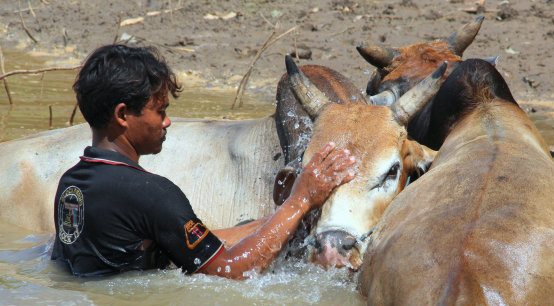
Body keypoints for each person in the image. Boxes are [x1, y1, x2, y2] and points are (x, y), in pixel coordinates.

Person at [51, 44, 356, 279]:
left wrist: (270, 224)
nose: (167, 122)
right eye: (160, 111)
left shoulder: (72, 183)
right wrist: (300, 200)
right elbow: (231, 273)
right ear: (122, 115)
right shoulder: (150, 193)